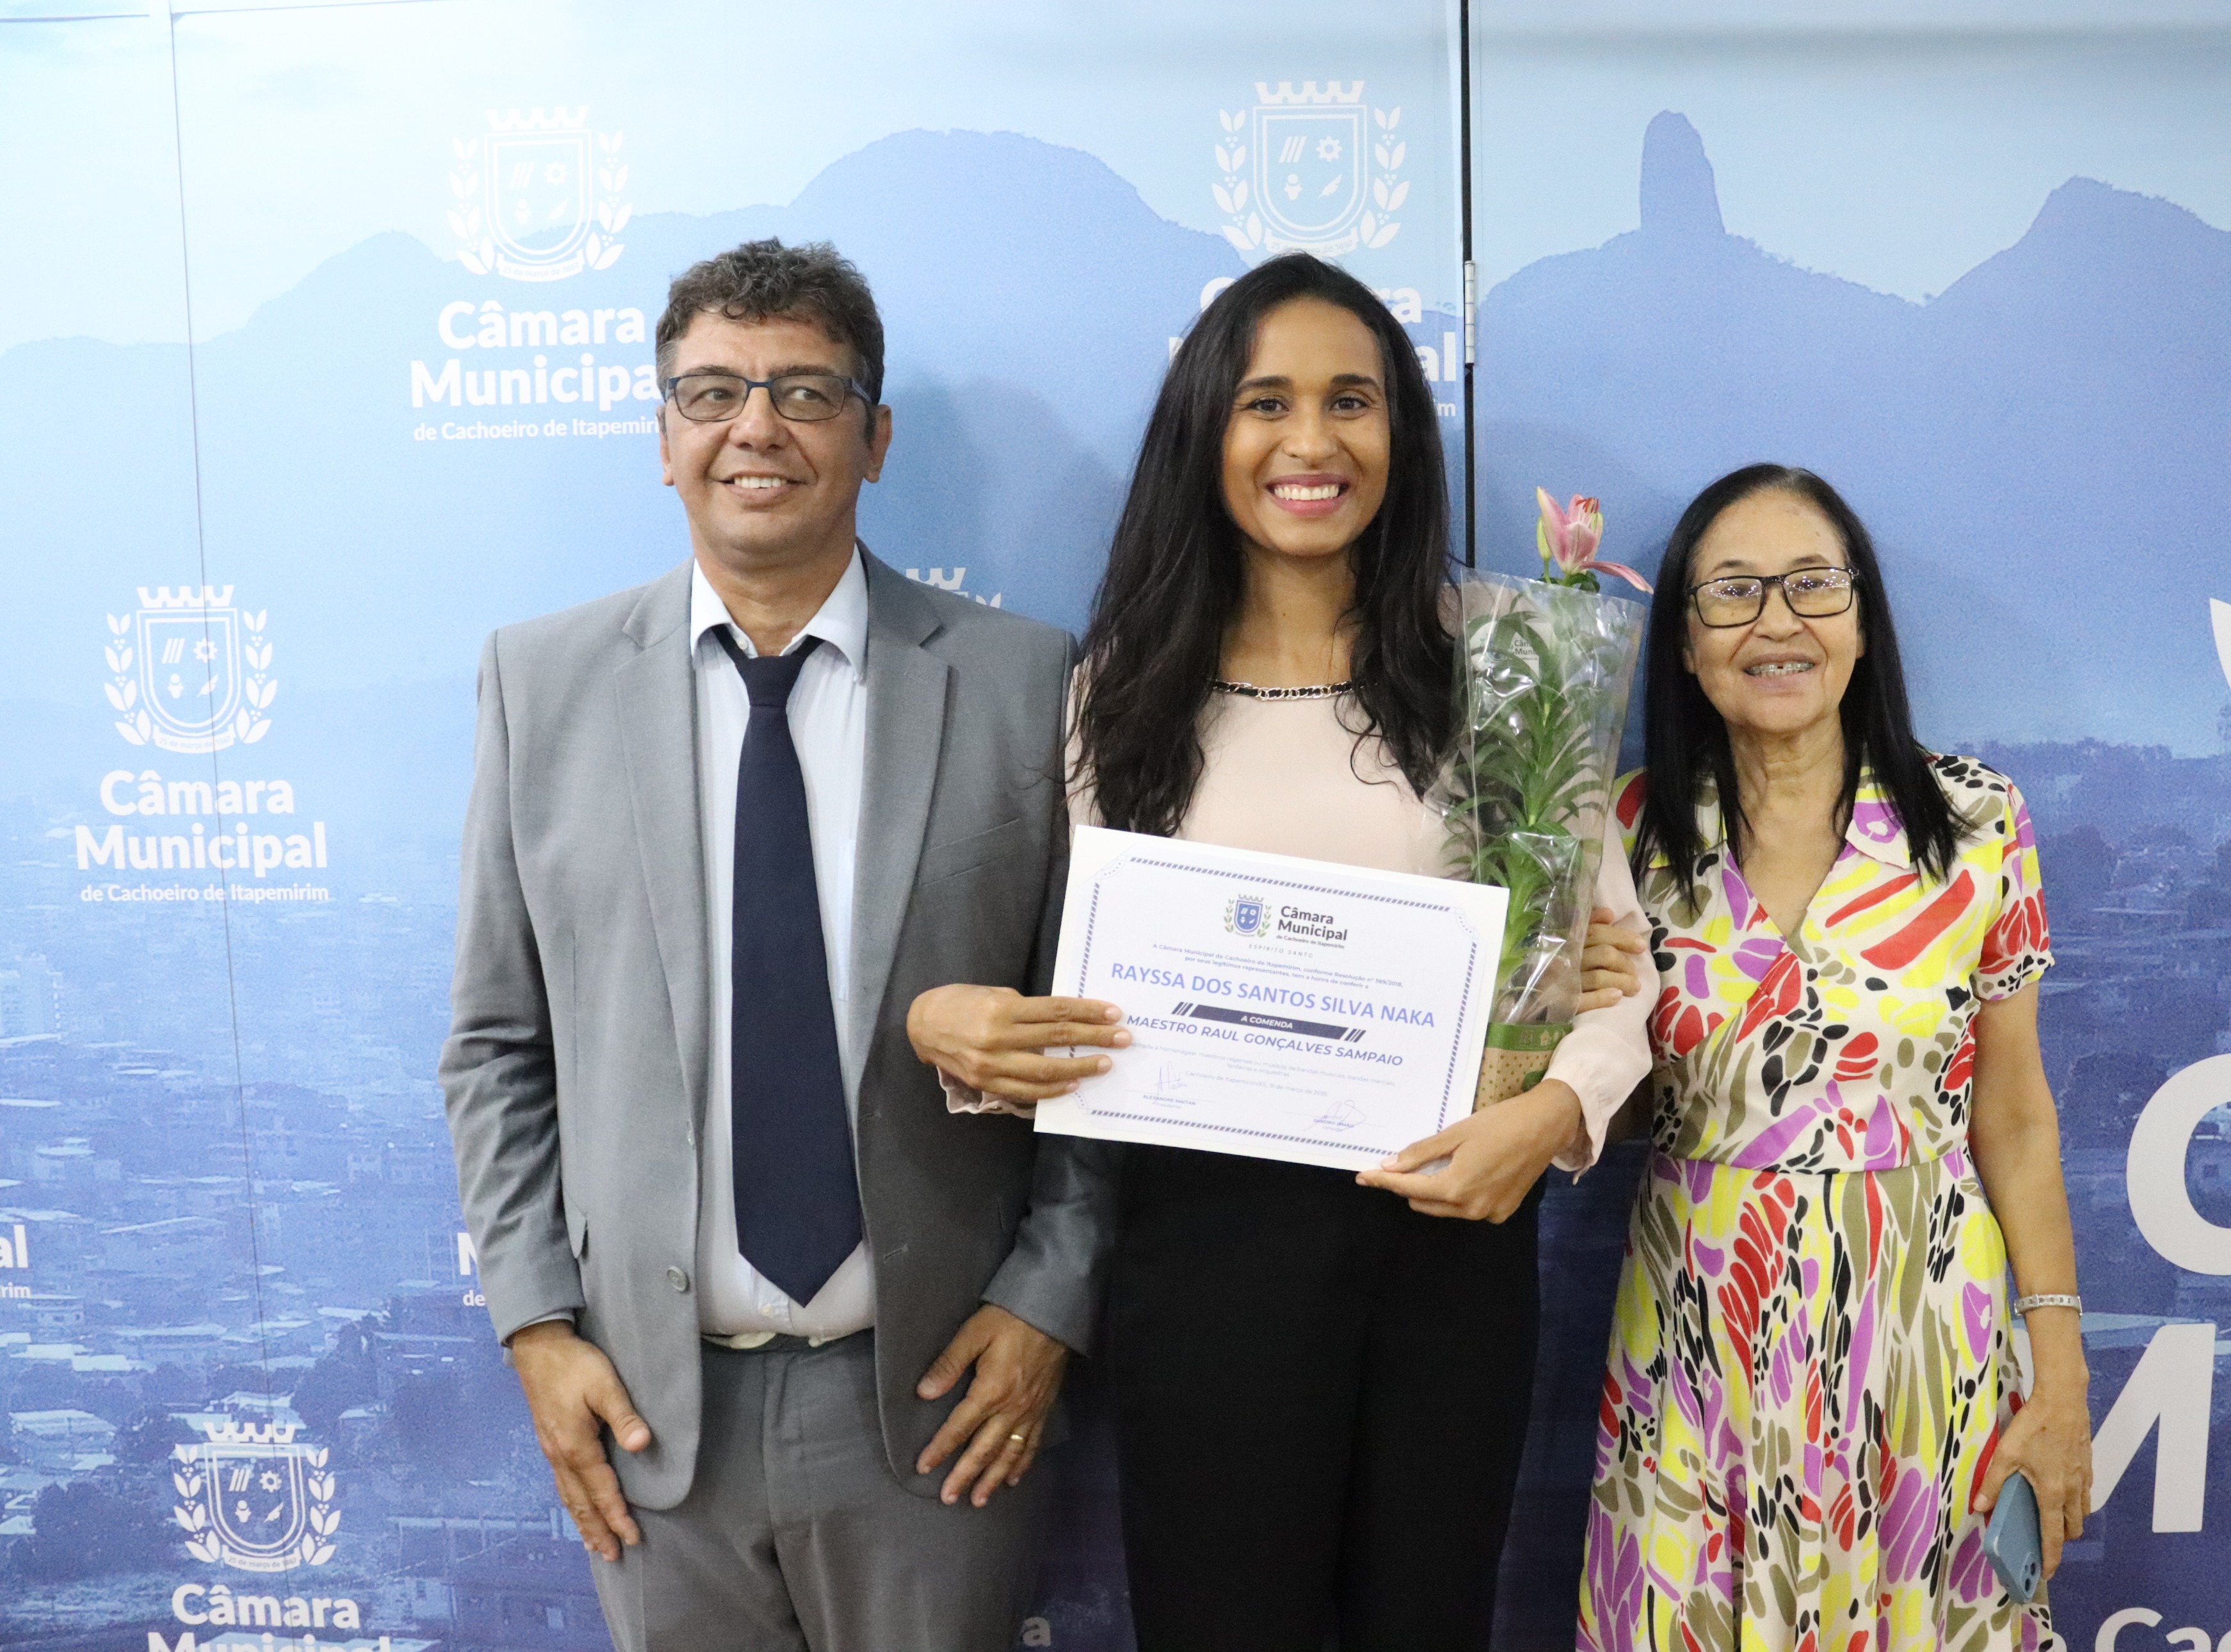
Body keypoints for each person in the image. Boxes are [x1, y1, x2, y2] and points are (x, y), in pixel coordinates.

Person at [943, 250, 1650, 1652]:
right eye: (1266, 403)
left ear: (1403, 433)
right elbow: (1078, 989)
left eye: (1352, 402)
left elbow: (1616, 973)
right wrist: (976, 1042)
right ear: (1205, 431)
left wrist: (1551, 1118)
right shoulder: (1118, 693)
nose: (1311, 442)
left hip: (1451, 1240)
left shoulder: (1508, 657)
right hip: (1203, 1259)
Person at [438, 237, 1124, 1652]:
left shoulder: (1022, 681)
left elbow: (1103, 1030)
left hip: (935, 1402)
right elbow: (498, 1046)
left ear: (875, 436)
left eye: (805, 391)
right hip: (649, 1414)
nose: (756, 427)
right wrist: (537, 1327)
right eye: (712, 393)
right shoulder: (541, 683)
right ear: (664, 438)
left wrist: (1048, 1299)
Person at [1574, 464, 2091, 1652]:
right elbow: (1624, 1111)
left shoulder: (1977, 824)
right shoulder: (1628, 831)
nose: (1778, 621)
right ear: (1686, 643)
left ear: (1862, 620)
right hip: (1699, 1337)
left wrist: (2059, 1374)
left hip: (1926, 1343)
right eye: (1733, 592)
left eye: (1813, 583)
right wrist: (1581, 1013)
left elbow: (2015, 1117)